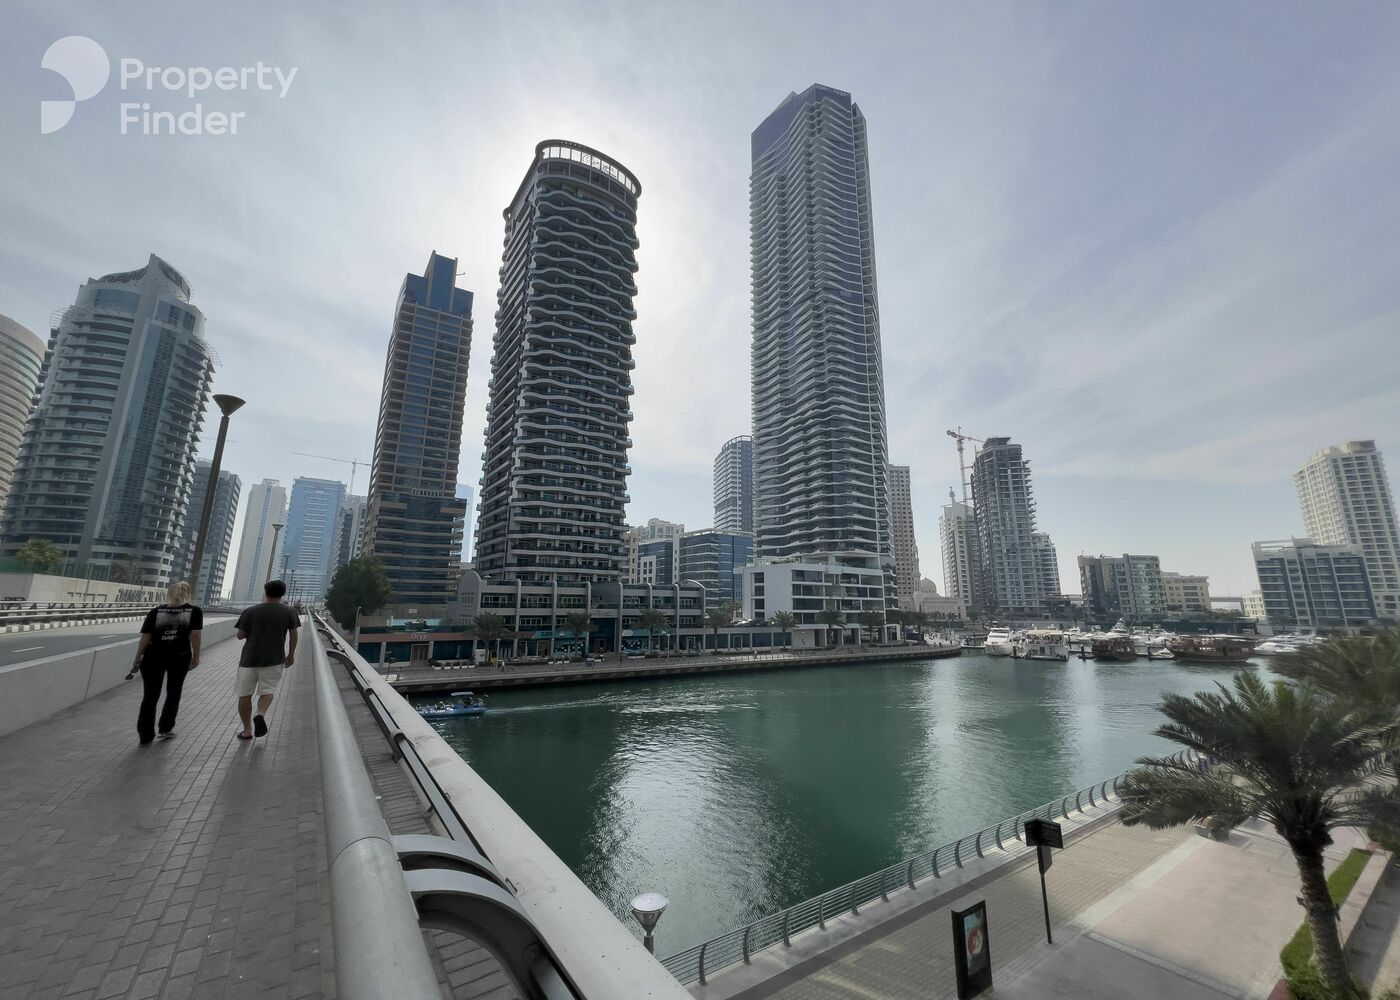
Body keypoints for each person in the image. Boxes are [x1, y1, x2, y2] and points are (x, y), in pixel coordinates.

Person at [126, 580, 202, 745]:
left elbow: (146, 636)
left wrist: (138, 657)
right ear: (188, 593)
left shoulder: (156, 611)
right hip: (180, 657)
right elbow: (195, 635)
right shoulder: (194, 611)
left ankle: (145, 735)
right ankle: (166, 728)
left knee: (150, 696)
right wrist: (196, 657)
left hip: (153, 657)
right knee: (173, 693)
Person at [234, 579, 300, 741]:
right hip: (274, 658)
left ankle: (247, 730)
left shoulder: (250, 611)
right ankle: (260, 714)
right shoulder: (289, 612)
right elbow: (294, 635)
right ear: (282, 593)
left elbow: (240, 635)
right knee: (267, 691)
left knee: (244, 694)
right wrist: (290, 655)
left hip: (249, 659)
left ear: (265, 592)